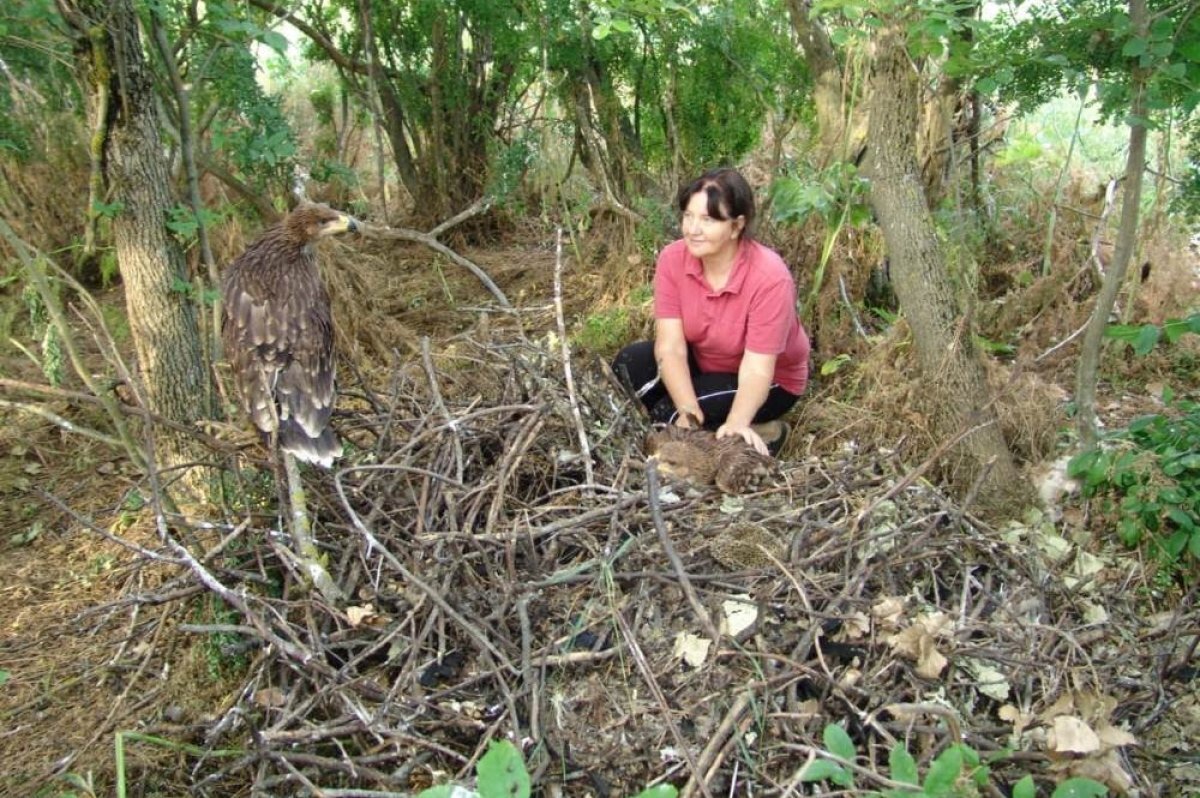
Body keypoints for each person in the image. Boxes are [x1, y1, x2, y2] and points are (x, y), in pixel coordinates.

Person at [613, 167, 810, 456]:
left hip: (769, 380)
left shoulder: (769, 278)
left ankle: (763, 433)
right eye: (688, 216)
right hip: (706, 361)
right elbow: (670, 346)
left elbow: (757, 368)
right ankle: (705, 416)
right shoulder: (672, 260)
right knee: (628, 366)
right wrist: (688, 409)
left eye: (707, 219)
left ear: (736, 226)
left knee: (666, 420)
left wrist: (736, 423)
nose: (692, 229)